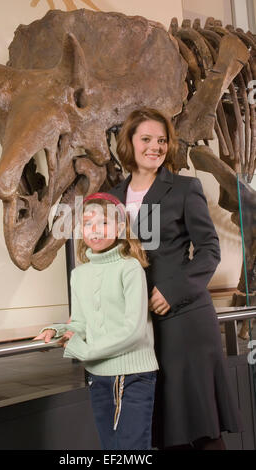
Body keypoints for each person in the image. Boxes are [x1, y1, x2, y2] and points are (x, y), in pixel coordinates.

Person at [108, 107, 243, 450]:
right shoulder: (112, 197)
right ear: (129, 143)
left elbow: (211, 250)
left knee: (200, 430)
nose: (156, 147)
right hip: (141, 328)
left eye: (162, 140)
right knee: (165, 431)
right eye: (147, 139)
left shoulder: (185, 188)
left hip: (185, 321)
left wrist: (172, 290)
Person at [34, 192, 158, 450]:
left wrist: (85, 350)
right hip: (97, 376)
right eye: (88, 224)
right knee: (110, 448)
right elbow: (80, 322)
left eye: (103, 223)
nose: (95, 230)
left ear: (120, 228)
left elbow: (133, 331)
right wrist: (58, 330)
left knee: (131, 449)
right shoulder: (79, 274)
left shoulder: (130, 268)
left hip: (133, 375)